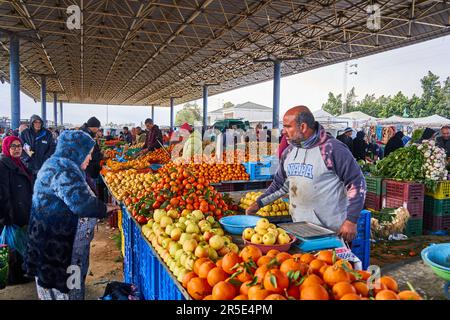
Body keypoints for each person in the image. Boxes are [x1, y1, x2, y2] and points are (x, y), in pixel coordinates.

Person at [246, 106, 366, 242]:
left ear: (302, 127)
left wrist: (351, 220)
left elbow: (356, 183)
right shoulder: (289, 152)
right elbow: (280, 184)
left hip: (331, 232)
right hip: (300, 228)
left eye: (287, 127)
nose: (283, 132)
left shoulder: (331, 149)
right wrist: (258, 204)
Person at [23, 130, 119, 300]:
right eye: (87, 154)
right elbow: (82, 204)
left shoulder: (59, 164)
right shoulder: (63, 168)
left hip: (56, 246)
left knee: (62, 289)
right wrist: (105, 208)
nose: (90, 159)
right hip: (61, 251)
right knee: (68, 291)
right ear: (76, 151)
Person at [0, 136, 33, 284]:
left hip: (22, 209)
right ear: (6, 147)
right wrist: (6, 216)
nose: (17, 148)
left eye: (19, 146)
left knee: (18, 244)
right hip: (12, 212)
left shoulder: (19, 163)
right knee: (12, 247)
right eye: (13, 146)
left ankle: (20, 273)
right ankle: (14, 277)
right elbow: (3, 193)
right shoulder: (3, 165)